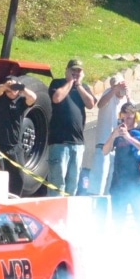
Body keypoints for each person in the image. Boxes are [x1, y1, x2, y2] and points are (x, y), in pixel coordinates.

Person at [47, 59, 96, 196]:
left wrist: (78, 85)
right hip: (59, 143)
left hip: (77, 143)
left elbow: (91, 104)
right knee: (57, 183)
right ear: (66, 71)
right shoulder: (57, 83)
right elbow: (56, 98)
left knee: (73, 184)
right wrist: (69, 82)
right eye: (73, 70)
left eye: (78, 71)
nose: (75, 73)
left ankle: (68, 207)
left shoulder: (83, 87)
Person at [103, 102, 140, 227]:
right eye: (123, 118)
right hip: (118, 184)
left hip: (136, 183)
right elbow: (104, 151)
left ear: (135, 117)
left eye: (129, 118)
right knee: (118, 222)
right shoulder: (118, 132)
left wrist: (129, 138)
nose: (126, 121)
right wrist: (113, 135)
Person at [0, 76, 37, 195]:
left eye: (14, 88)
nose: (12, 91)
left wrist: (22, 88)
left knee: (18, 177)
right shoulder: (0, 98)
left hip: (15, 146)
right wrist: (6, 86)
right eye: (10, 88)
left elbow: (33, 98)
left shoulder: (21, 102)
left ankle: (15, 198)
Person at [88, 74, 129, 195]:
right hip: (103, 144)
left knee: (112, 183)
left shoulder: (126, 100)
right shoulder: (109, 93)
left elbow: (133, 115)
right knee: (99, 180)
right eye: (118, 86)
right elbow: (100, 104)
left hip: (118, 147)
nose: (120, 89)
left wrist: (128, 95)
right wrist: (114, 90)